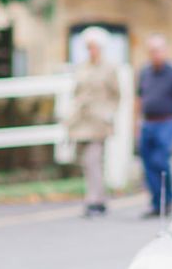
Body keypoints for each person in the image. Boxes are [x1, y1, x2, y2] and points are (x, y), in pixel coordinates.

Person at [136, 34, 172, 218]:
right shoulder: (144, 73)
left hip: (167, 121)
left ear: (165, 51)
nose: (155, 55)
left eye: (158, 51)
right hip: (148, 122)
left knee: (161, 161)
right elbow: (139, 98)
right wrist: (136, 122)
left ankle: (167, 199)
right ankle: (155, 201)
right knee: (147, 163)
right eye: (151, 51)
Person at [66, 27, 121, 218]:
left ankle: (93, 200)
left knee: (93, 160)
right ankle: (100, 198)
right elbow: (76, 93)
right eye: (89, 47)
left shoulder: (109, 68)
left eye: (94, 47)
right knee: (87, 163)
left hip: (98, 122)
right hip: (81, 122)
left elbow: (116, 95)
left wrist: (109, 113)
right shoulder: (81, 67)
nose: (91, 51)